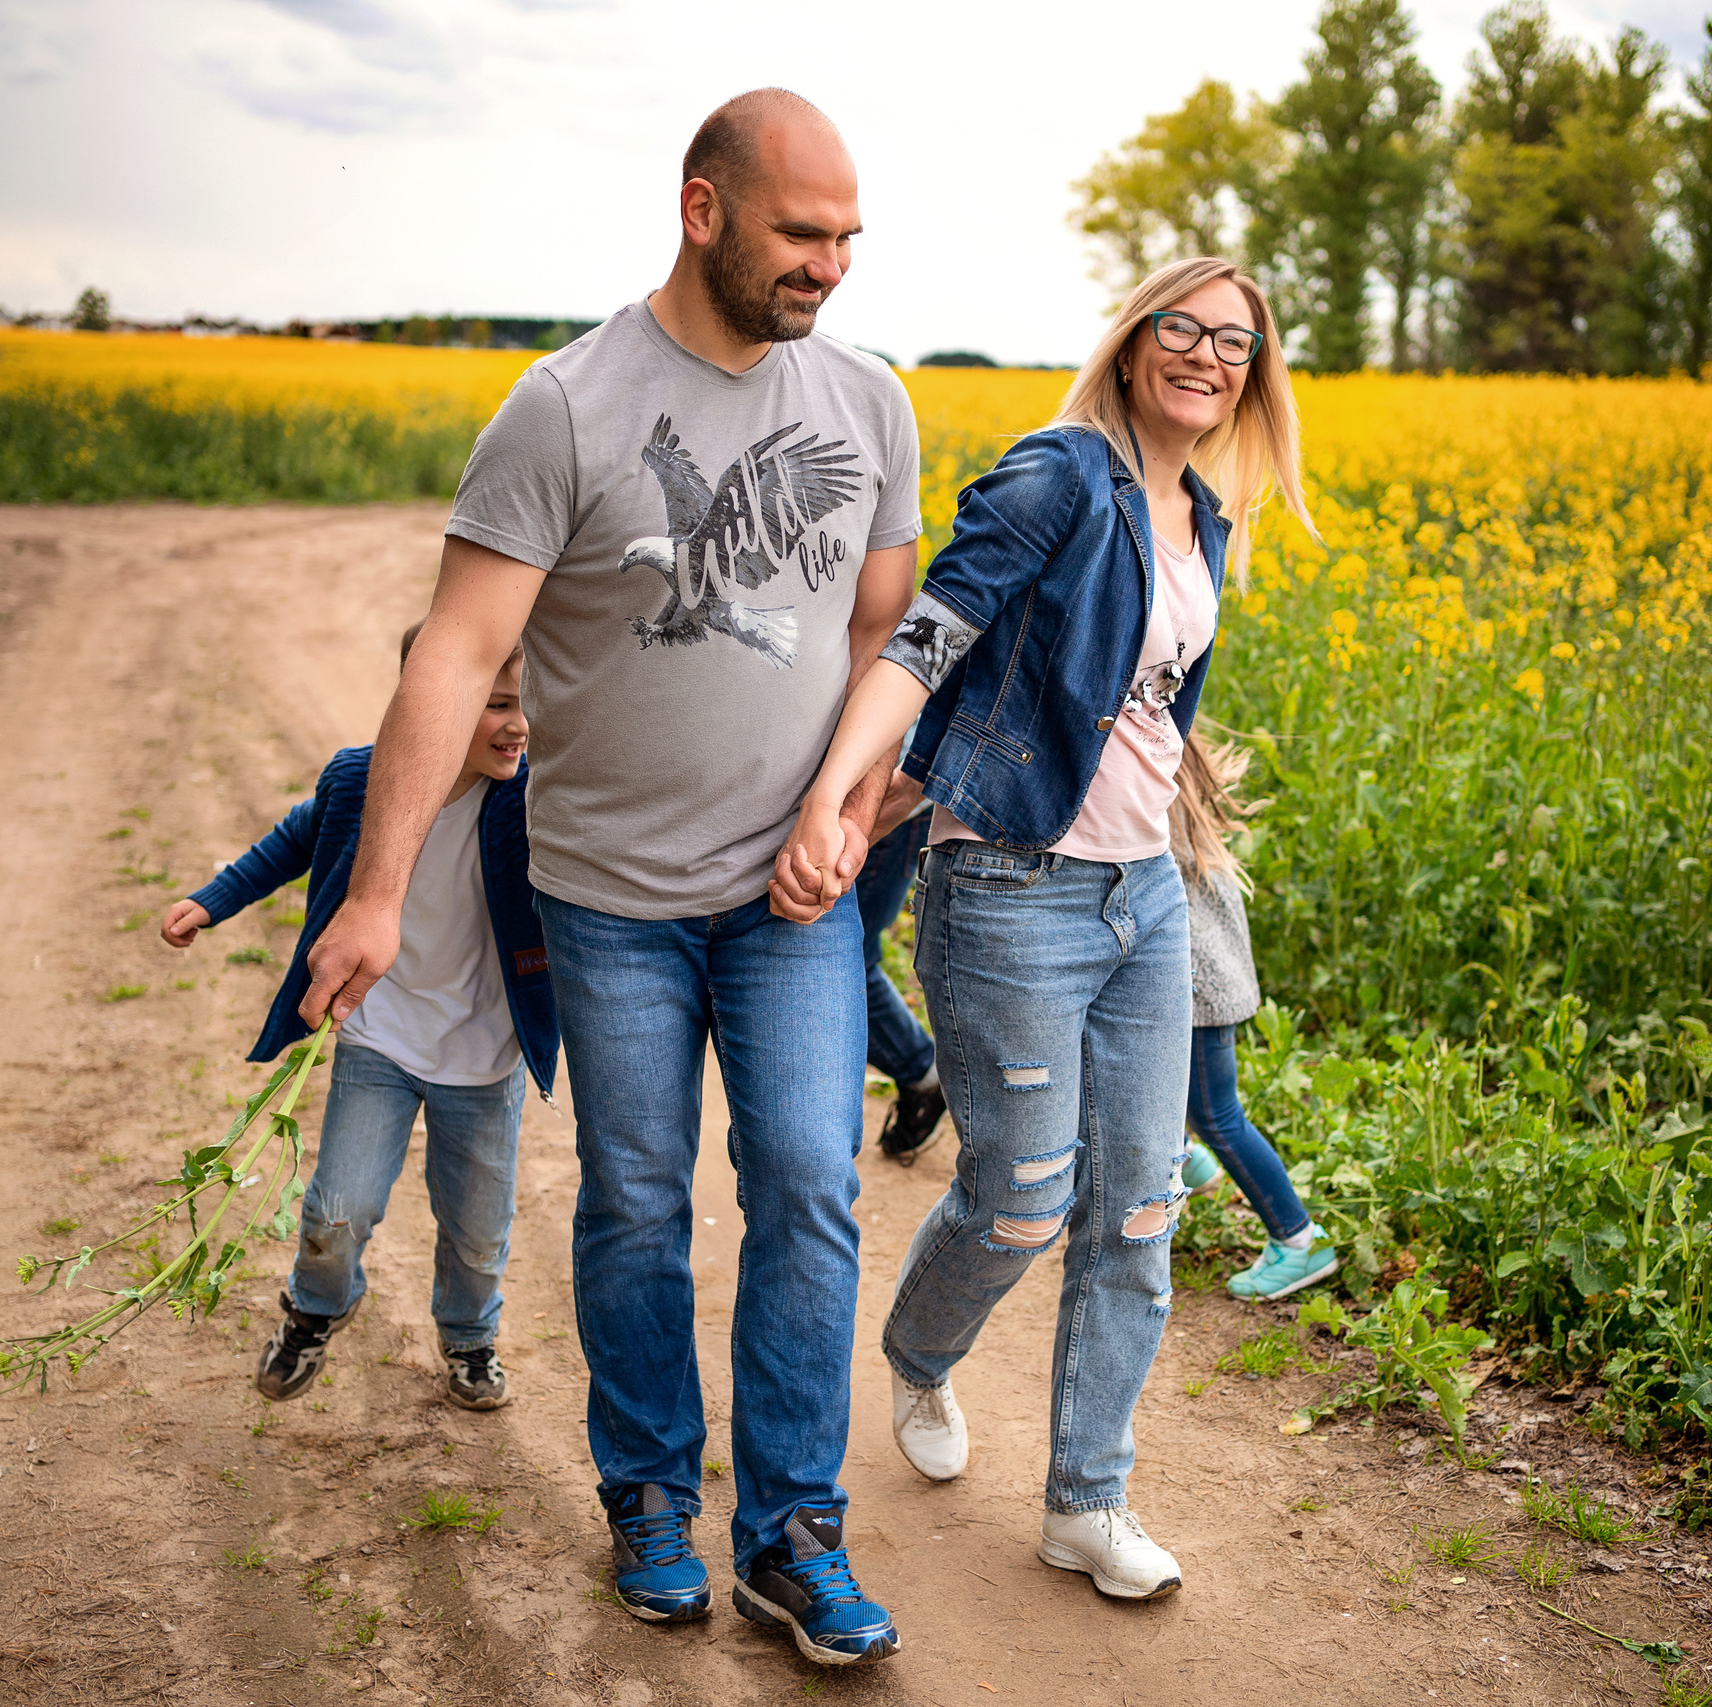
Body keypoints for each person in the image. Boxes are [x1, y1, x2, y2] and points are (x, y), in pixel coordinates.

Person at [296, 90, 918, 1667]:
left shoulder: (872, 403)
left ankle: (791, 1528)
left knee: (808, 1179)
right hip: (608, 897)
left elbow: (880, 643)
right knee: (638, 1196)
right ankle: (649, 1493)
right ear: (703, 209)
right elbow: (455, 651)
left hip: (791, 899)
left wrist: (846, 812)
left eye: (848, 238)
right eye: (800, 233)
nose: (829, 267)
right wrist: (373, 892)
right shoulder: (566, 405)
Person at [771, 256, 1314, 1602]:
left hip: (1144, 901)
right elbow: (925, 638)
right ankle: (917, 1352)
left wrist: (1184, 823)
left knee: (1138, 1206)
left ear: (1255, 372)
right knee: (1019, 1200)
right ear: (1135, 343)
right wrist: (843, 797)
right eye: (1180, 328)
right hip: (1008, 891)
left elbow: (1147, 703)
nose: (1205, 355)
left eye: (1233, 342)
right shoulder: (1057, 474)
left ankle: (1088, 1498)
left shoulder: (1206, 516)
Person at [157, 625, 558, 1412]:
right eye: (499, 703)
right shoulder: (361, 779)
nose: (518, 725)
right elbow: (287, 846)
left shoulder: (533, 798)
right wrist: (211, 901)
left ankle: (471, 1336)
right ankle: (313, 1310)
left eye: (529, 705)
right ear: (429, 703)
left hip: (483, 1056)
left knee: (477, 1228)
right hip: (379, 1037)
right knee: (337, 1207)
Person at [1169, 727, 1338, 1300]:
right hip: (1201, 988)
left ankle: (1299, 1240)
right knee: (1156, 1093)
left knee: (1218, 1116)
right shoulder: (1177, 801)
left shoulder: (1155, 816)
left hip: (1198, 993)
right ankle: (1182, 1159)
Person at [860, 765, 946, 1164]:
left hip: (886, 795)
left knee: (847, 962)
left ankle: (920, 1071)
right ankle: (920, 1071)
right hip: (884, 793)